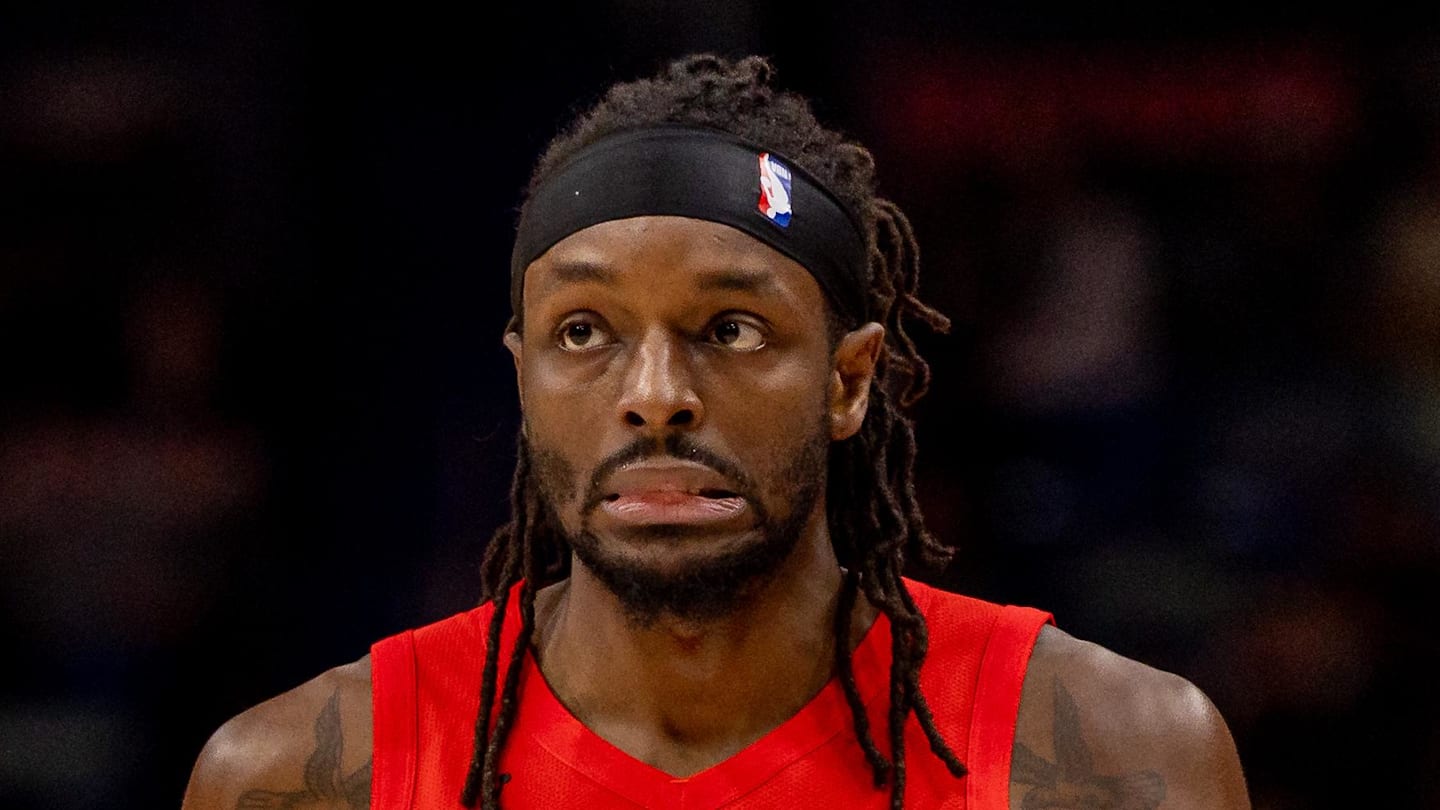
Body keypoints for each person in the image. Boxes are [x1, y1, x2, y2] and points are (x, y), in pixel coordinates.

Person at [181, 54, 1251, 810]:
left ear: (848, 379)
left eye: (730, 329)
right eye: (585, 330)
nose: (654, 394)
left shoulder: (1113, 762)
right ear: (524, 378)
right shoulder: (305, 776)